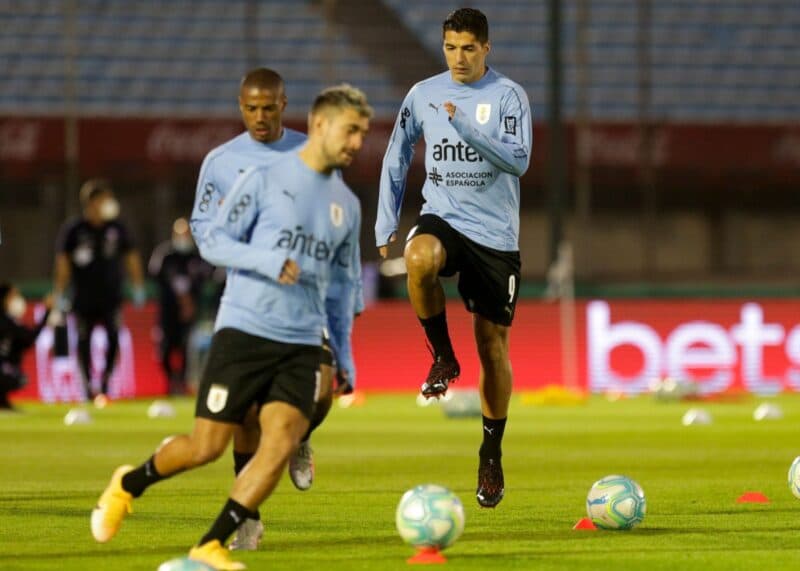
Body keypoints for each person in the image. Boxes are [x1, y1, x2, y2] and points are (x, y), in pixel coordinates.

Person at [91, 84, 370, 570]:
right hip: (245, 328)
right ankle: (127, 485)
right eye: (351, 131)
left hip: (302, 340)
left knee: (280, 441)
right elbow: (214, 240)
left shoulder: (347, 204)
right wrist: (265, 259)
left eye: (362, 134)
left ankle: (212, 543)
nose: (356, 143)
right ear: (321, 125)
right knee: (206, 447)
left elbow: (343, 288)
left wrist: (343, 356)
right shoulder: (264, 178)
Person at [190, 67, 358, 550]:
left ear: (285, 105)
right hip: (253, 299)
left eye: (269, 107)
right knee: (243, 417)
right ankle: (248, 518)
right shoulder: (221, 162)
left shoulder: (313, 153)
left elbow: (335, 219)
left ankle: (299, 436)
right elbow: (205, 228)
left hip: (307, 297)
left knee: (322, 391)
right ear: (240, 106)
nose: (260, 117)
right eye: (250, 108)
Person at [375, 7, 532, 509]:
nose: (458, 58)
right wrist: (385, 222)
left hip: (495, 235)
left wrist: (465, 126)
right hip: (443, 216)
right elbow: (397, 153)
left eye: (468, 48)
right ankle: (442, 355)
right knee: (419, 257)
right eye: (450, 48)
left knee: (492, 346)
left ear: (486, 48)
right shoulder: (422, 94)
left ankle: (490, 453)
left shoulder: (509, 96)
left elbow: (520, 159)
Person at [53, 179, 146, 406]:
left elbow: (131, 257)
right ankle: (87, 387)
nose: (109, 204)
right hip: (83, 297)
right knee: (83, 341)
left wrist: (137, 286)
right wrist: (59, 292)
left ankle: (104, 383)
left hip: (111, 297)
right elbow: (63, 262)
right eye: (104, 199)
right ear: (92, 203)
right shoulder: (74, 230)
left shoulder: (117, 228)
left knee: (114, 338)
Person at [148, 217, 213, 395]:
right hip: (168, 311)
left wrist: (191, 303)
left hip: (190, 312)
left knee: (186, 348)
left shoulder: (196, 256)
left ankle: (183, 384)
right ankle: (170, 381)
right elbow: (156, 278)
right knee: (165, 348)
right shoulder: (165, 255)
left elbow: (207, 278)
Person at [0, 285, 52, 410]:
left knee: (17, 374)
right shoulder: (6, 322)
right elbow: (29, 337)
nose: (18, 300)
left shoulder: (9, 321)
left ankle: (2, 400)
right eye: (14, 296)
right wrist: (47, 313)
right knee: (15, 376)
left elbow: (26, 341)